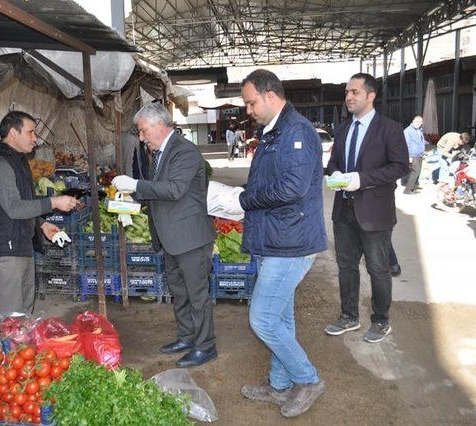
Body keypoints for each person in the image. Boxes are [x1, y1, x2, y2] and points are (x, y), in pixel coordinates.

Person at [222, 69, 328, 418]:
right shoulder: (272, 131)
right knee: (280, 317)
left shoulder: (296, 131)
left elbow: (292, 189)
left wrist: (245, 200)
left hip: (291, 242)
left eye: (251, 102)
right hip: (275, 238)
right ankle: (279, 385)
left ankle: (308, 379)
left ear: (270, 95)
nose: (248, 109)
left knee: (263, 319)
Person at [111, 103, 217, 368]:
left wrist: (136, 184)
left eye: (144, 131)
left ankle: (206, 346)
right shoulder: (158, 152)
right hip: (170, 236)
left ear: (160, 125)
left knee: (197, 295)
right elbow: (158, 191)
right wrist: (131, 198)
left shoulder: (184, 151)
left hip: (190, 238)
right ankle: (186, 336)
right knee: (179, 291)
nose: (142, 137)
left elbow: (175, 189)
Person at [324, 73, 409, 343]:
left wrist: (361, 179)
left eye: (355, 92)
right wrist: (336, 176)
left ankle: (381, 320)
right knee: (346, 266)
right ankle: (349, 316)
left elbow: (400, 167)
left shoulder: (390, 129)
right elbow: (333, 162)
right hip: (344, 211)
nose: (348, 97)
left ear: (371, 96)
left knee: (377, 269)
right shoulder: (343, 129)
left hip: (375, 212)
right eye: (347, 92)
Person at [0, 111, 79, 315]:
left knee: (24, 312)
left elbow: (24, 202)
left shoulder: (17, 161)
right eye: (31, 132)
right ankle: (7, 348)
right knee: (10, 317)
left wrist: (41, 224)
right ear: (13, 133)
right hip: (4, 251)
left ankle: (22, 347)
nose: (35, 139)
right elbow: (14, 208)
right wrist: (53, 202)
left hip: (19, 244)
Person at [402, 116, 425, 194]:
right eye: (416, 121)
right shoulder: (408, 131)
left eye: (420, 122)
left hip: (419, 154)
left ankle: (414, 185)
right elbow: (405, 144)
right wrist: (409, 156)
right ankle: (408, 189)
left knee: (417, 172)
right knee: (415, 171)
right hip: (413, 154)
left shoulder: (419, 130)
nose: (418, 123)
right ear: (413, 121)